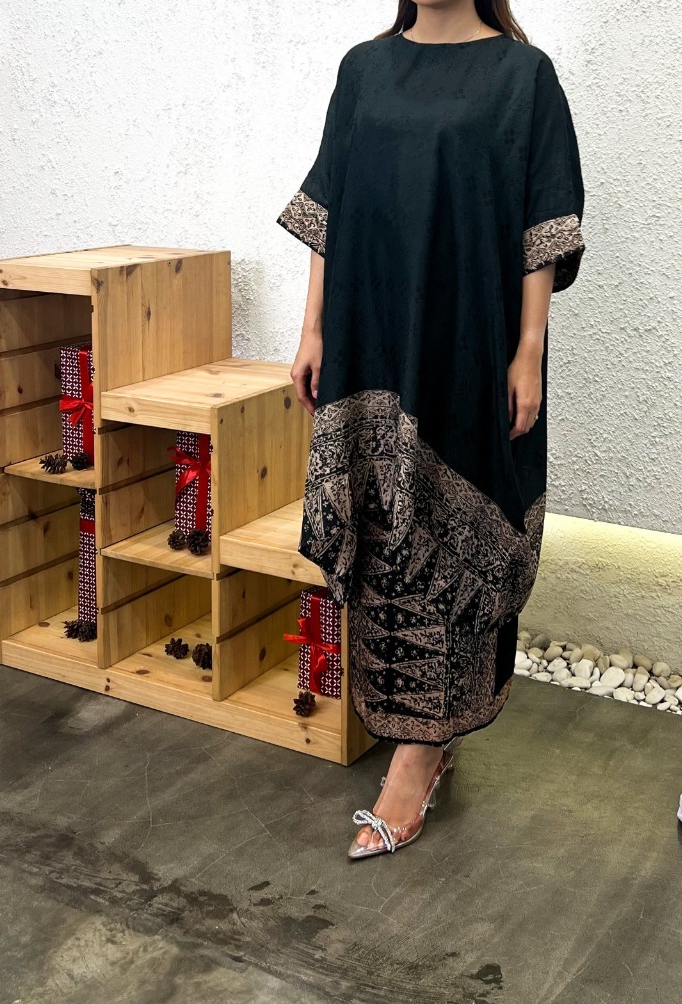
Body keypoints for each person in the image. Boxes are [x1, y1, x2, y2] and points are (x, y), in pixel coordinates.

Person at [277, 0, 586, 859]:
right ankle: (408, 729)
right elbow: (329, 208)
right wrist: (312, 329)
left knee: (453, 529)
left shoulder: (523, 78)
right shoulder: (363, 69)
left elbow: (542, 228)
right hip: (370, 336)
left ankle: (421, 753)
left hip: (468, 344)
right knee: (382, 523)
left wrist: (528, 351)